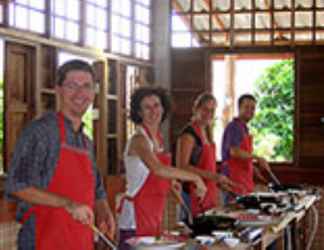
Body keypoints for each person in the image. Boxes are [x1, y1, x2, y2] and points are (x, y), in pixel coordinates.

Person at [5, 60, 115, 250]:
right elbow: (16, 185)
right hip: (43, 240)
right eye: (72, 86)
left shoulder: (86, 142)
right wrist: (68, 204)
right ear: (58, 90)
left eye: (86, 86)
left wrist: (104, 211)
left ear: (93, 93)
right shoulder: (40, 132)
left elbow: (97, 189)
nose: (80, 94)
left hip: (80, 240)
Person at [118, 86, 207, 250]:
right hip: (135, 218)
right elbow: (157, 169)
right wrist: (195, 177)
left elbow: (154, 175)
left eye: (156, 105)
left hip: (153, 214)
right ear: (139, 112)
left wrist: (171, 182)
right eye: (147, 107)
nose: (153, 111)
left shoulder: (158, 139)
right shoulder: (139, 140)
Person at [175, 93, 234, 218]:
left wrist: (219, 181)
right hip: (192, 194)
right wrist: (213, 176)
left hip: (208, 194)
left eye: (212, 110)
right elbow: (182, 167)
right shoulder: (188, 135)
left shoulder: (207, 133)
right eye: (205, 109)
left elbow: (208, 167)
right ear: (196, 109)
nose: (209, 114)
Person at [221, 94, 270, 197]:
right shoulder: (234, 127)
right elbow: (233, 152)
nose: (250, 110)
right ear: (239, 108)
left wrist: (253, 169)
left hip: (244, 182)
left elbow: (243, 157)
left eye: (252, 108)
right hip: (233, 182)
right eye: (246, 107)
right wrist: (257, 158)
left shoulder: (244, 129)